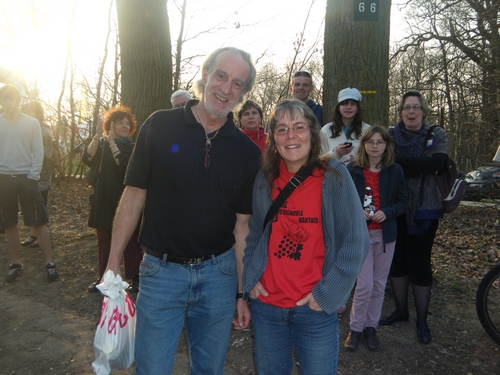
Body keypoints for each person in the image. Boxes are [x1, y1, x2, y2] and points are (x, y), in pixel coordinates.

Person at [104, 47, 262, 374]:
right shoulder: (159, 125)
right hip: (162, 274)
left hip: (218, 277)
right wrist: (113, 259)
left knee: (208, 369)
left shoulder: (247, 152)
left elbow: (242, 228)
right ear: (205, 75)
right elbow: (133, 195)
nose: (226, 88)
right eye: (221, 75)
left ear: (243, 93)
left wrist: (241, 291)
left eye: (237, 83)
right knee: (152, 369)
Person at [242, 99, 369, 374]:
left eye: (299, 127)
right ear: (273, 138)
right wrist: (250, 279)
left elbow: (356, 241)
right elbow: (255, 232)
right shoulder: (265, 178)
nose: (291, 135)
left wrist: (327, 294)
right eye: (282, 129)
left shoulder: (334, 176)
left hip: (314, 309)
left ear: (312, 133)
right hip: (267, 308)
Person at [379, 90, 448, 345]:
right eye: (406, 107)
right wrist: (419, 164)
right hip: (395, 206)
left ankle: (422, 321)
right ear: (400, 111)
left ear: (423, 111)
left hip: (425, 207)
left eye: (416, 107)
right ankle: (400, 311)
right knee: (396, 260)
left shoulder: (436, 134)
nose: (411, 112)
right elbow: (386, 162)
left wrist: (402, 163)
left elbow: (438, 163)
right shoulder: (390, 134)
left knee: (420, 263)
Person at [344, 126, 408, 351]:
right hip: (360, 236)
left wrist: (388, 212)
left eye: (379, 142)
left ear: (386, 145)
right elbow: (343, 201)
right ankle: (355, 328)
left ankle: (371, 327)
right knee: (365, 284)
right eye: (370, 142)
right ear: (364, 145)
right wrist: (355, 210)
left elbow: (403, 202)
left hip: (386, 235)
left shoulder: (395, 171)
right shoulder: (352, 170)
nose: (374, 146)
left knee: (379, 285)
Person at [0, 84, 59, 282]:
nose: (7, 102)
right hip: (4, 179)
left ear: (18, 101)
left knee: (38, 221)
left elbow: (38, 151)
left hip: (27, 178)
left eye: (11, 98)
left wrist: (33, 176)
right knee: (9, 223)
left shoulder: (31, 123)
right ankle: (16, 263)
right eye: (4, 99)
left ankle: (49, 263)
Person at [82, 105, 143, 293]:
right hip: (102, 198)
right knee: (104, 241)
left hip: (124, 200)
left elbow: (122, 165)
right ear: (111, 125)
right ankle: (104, 277)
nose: (124, 126)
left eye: (127, 124)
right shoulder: (100, 145)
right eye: (120, 123)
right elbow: (87, 159)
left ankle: (135, 277)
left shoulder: (132, 147)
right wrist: (98, 136)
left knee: (130, 240)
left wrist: (111, 142)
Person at [19, 101, 53, 248]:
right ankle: (33, 233)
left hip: (41, 173)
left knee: (40, 203)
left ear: (38, 113)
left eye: (32, 111)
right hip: (25, 172)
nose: (29, 113)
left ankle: (41, 236)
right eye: (26, 110)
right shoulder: (22, 128)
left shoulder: (44, 130)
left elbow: (48, 153)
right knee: (28, 203)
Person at [321, 87, 371, 163]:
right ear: (338, 107)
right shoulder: (326, 130)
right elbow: (318, 159)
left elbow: (375, 156)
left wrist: (359, 161)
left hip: (359, 174)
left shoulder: (367, 130)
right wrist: (336, 153)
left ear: (358, 108)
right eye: (344, 103)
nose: (348, 107)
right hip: (333, 173)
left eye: (353, 104)